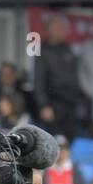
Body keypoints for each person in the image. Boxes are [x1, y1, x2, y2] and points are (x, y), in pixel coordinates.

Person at [32, 16, 83, 145]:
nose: (61, 31)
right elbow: (38, 81)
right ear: (49, 29)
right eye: (58, 28)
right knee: (55, 140)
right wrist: (44, 106)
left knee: (70, 138)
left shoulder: (68, 48)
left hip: (71, 103)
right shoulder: (42, 50)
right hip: (53, 103)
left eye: (63, 28)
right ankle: (55, 165)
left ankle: (67, 165)